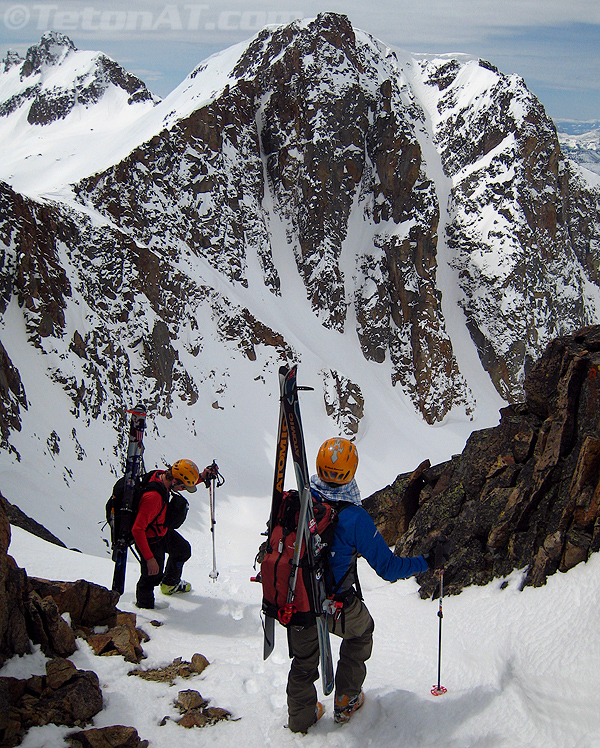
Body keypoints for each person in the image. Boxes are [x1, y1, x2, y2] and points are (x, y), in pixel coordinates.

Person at [286, 437, 449, 733]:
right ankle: (346, 698)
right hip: (336, 604)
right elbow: (387, 568)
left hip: (296, 598)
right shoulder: (354, 517)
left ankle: (300, 719)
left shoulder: (299, 501)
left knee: (303, 661)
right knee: (361, 632)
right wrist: (427, 561)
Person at [132, 458, 216, 609]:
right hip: (149, 538)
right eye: (182, 486)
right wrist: (150, 558)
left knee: (182, 550)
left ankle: (170, 584)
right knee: (152, 575)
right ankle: (144, 608)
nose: (183, 489)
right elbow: (137, 530)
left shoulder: (162, 476)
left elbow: (182, 481)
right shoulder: (153, 498)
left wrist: (202, 477)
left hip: (160, 531)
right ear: (175, 481)